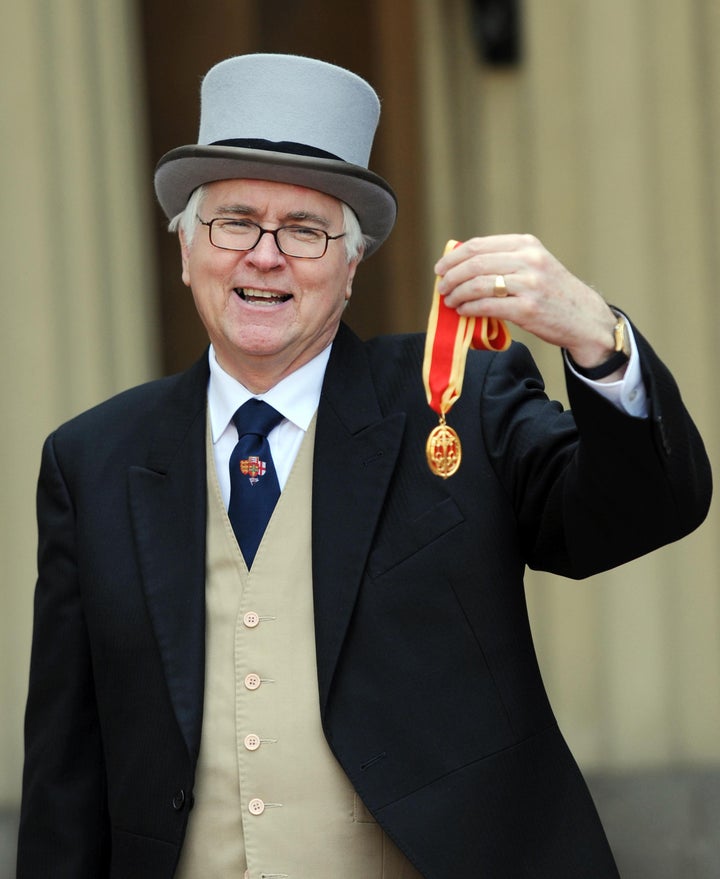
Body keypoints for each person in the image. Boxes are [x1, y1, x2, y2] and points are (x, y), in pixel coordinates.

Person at [17, 53, 711, 879]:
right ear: (185, 249)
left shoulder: (460, 401)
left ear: (350, 267)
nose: (264, 256)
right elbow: (67, 769)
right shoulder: (91, 459)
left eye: (305, 230)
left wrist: (598, 338)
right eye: (234, 221)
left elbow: (645, 507)